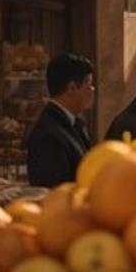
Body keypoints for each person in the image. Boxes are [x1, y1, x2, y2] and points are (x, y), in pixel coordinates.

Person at [25, 53, 95, 188]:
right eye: (89, 83)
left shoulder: (72, 124)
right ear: (72, 88)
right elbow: (55, 192)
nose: (92, 90)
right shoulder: (49, 136)